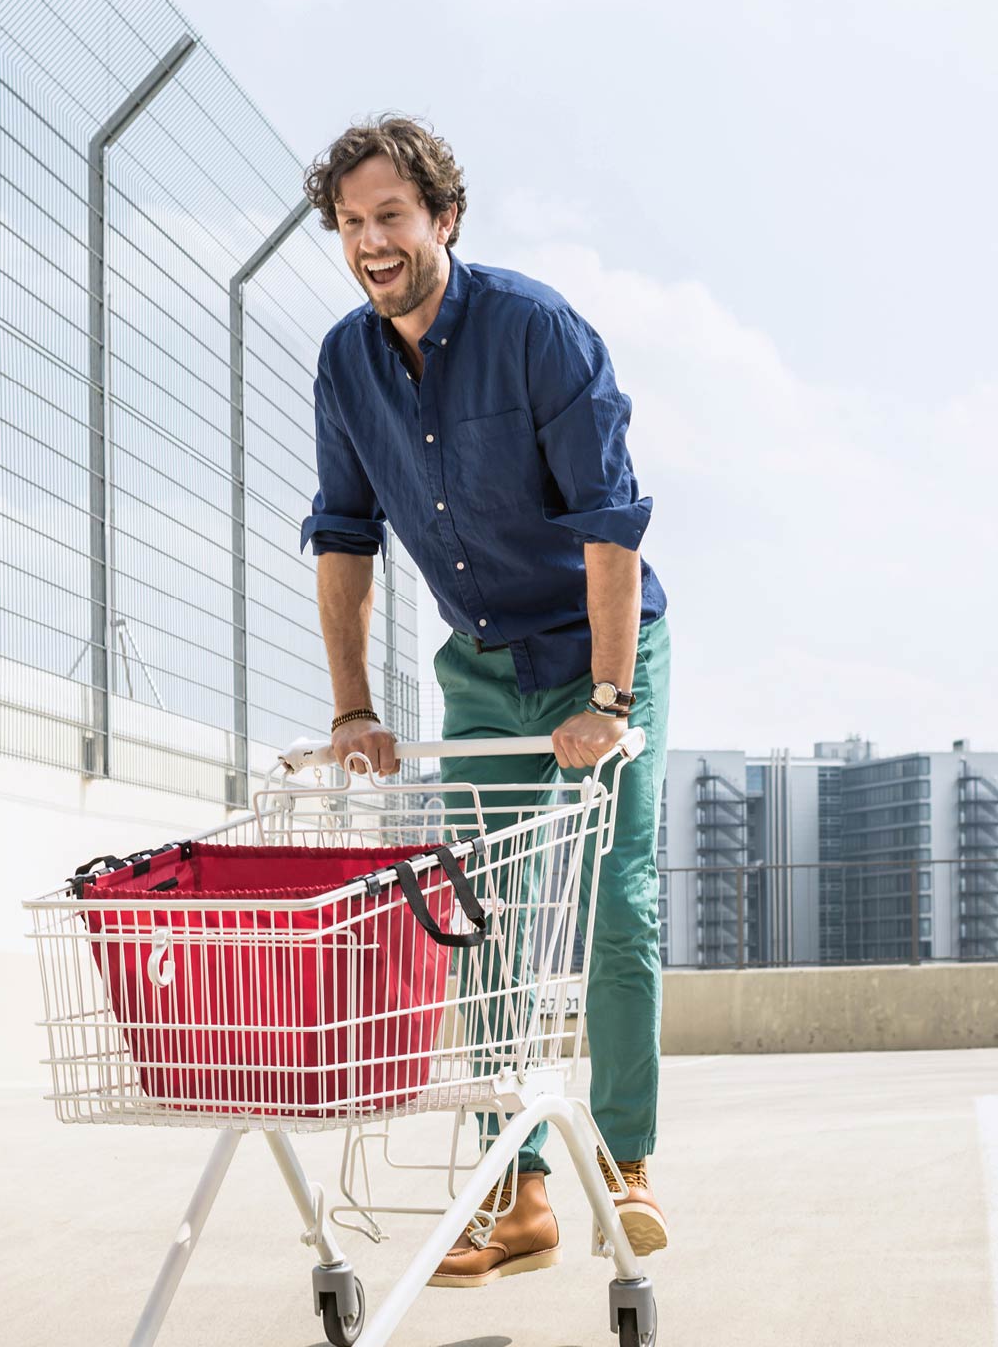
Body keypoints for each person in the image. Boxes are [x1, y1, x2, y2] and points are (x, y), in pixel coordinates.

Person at [300, 115, 671, 1287]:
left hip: (601, 647)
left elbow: (607, 523)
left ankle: (626, 1164)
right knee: (480, 912)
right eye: (351, 223)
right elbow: (343, 536)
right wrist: (353, 710)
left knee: (612, 903)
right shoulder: (345, 363)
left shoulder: (534, 330)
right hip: (481, 665)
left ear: (443, 218)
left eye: (390, 216)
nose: (371, 242)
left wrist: (605, 697)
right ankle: (517, 1191)